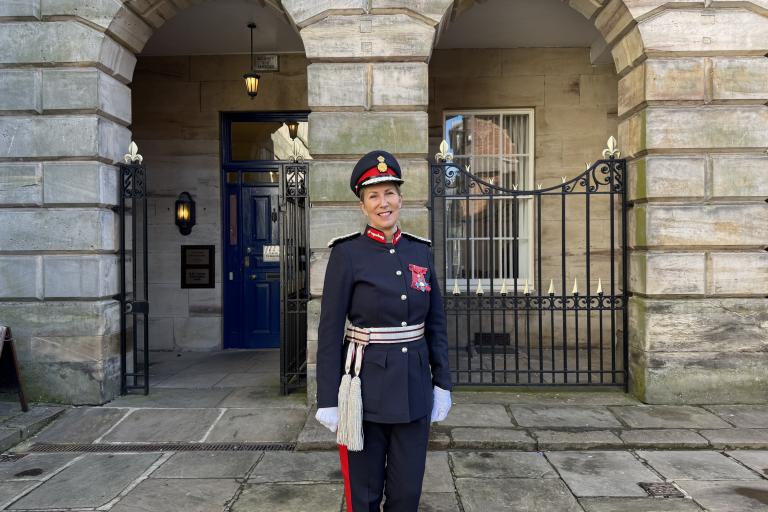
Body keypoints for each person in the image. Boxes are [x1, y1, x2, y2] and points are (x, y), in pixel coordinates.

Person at [314, 150, 453, 512]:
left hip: (413, 390)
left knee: (406, 495)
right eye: (373, 195)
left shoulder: (419, 252)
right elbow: (329, 330)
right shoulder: (347, 255)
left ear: (401, 199)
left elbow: (435, 324)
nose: (383, 202)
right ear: (363, 206)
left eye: (389, 192)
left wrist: (442, 384)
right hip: (364, 392)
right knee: (364, 495)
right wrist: (328, 398)